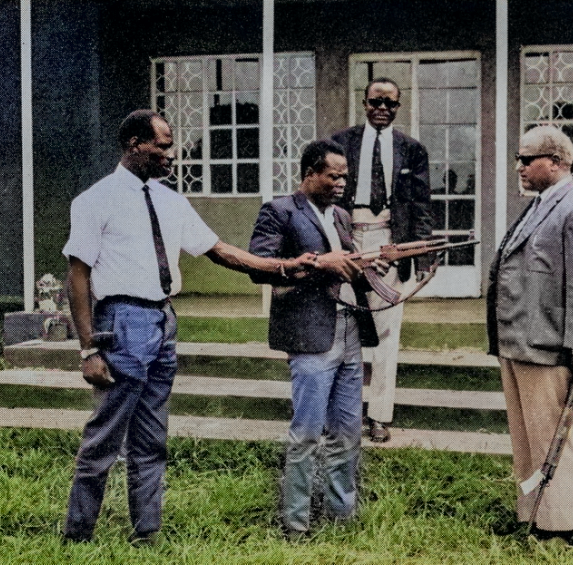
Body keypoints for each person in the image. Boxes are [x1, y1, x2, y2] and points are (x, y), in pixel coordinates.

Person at [62, 109, 315, 544]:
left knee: (151, 437)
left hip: (163, 321)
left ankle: (146, 533)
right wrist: (88, 349)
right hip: (122, 322)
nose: (171, 154)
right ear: (134, 144)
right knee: (105, 436)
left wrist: (283, 267)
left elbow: (221, 251)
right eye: (162, 146)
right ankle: (77, 536)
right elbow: (78, 275)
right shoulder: (95, 200)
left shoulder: (171, 201)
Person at [248, 139, 379, 538]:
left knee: (348, 431)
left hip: (349, 329)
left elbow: (347, 267)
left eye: (345, 177)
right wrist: (321, 262)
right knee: (306, 433)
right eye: (332, 176)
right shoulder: (279, 211)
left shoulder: (341, 216)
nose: (341, 184)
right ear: (309, 173)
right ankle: (296, 523)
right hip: (309, 335)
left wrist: (366, 263)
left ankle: (341, 515)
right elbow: (259, 266)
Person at [486, 125, 573, 545]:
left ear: (555, 162)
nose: (519, 167)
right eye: (518, 159)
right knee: (527, 441)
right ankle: (534, 516)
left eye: (526, 159)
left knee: (553, 439)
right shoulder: (540, 204)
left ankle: (559, 528)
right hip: (519, 342)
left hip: (548, 346)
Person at [331, 77, 432, 442]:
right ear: (365, 103)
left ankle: (379, 415)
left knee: (387, 330)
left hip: (390, 239)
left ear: (398, 108)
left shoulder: (412, 150)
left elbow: (421, 205)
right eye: (376, 102)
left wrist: (421, 257)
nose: (382, 109)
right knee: (342, 325)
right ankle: (340, 413)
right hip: (347, 237)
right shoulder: (340, 143)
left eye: (390, 104)